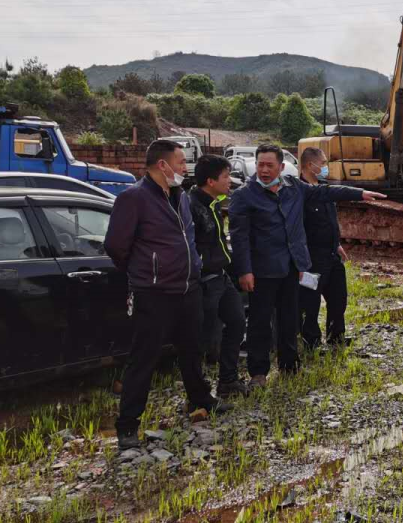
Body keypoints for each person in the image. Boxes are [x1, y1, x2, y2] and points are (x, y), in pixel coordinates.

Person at [103, 139, 229, 451]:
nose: (185, 169)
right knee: (143, 358)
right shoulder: (133, 198)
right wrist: (146, 272)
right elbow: (116, 246)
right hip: (154, 293)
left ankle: (200, 399)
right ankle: (128, 425)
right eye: (180, 163)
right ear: (163, 165)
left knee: (191, 350)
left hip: (187, 289)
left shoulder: (180, 197)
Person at [228, 144, 384, 386]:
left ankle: (290, 365)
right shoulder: (244, 196)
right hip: (263, 270)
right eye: (260, 165)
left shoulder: (293, 187)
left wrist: (359, 193)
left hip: (292, 267)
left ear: (281, 167)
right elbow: (239, 238)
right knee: (260, 321)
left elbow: (325, 192)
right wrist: (245, 270)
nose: (264, 170)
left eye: (270, 165)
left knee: (290, 319)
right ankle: (258, 372)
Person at [189, 154, 248, 398]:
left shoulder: (214, 202)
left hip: (220, 277)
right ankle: (198, 393)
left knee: (236, 323)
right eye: (226, 177)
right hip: (204, 282)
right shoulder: (191, 206)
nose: (230, 182)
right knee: (202, 338)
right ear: (211, 181)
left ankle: (228, 380)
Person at [298, 147, 349, 349]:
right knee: (309, 301)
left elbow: (330, 220)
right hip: (311, 258)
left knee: (338, 298)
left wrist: (337, 244)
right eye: (324, 163)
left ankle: (336, 337)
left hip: (331, 254)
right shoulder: (299, 192)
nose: (326, 167)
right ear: (311, 165)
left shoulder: (325, 188)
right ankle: (311, 341)